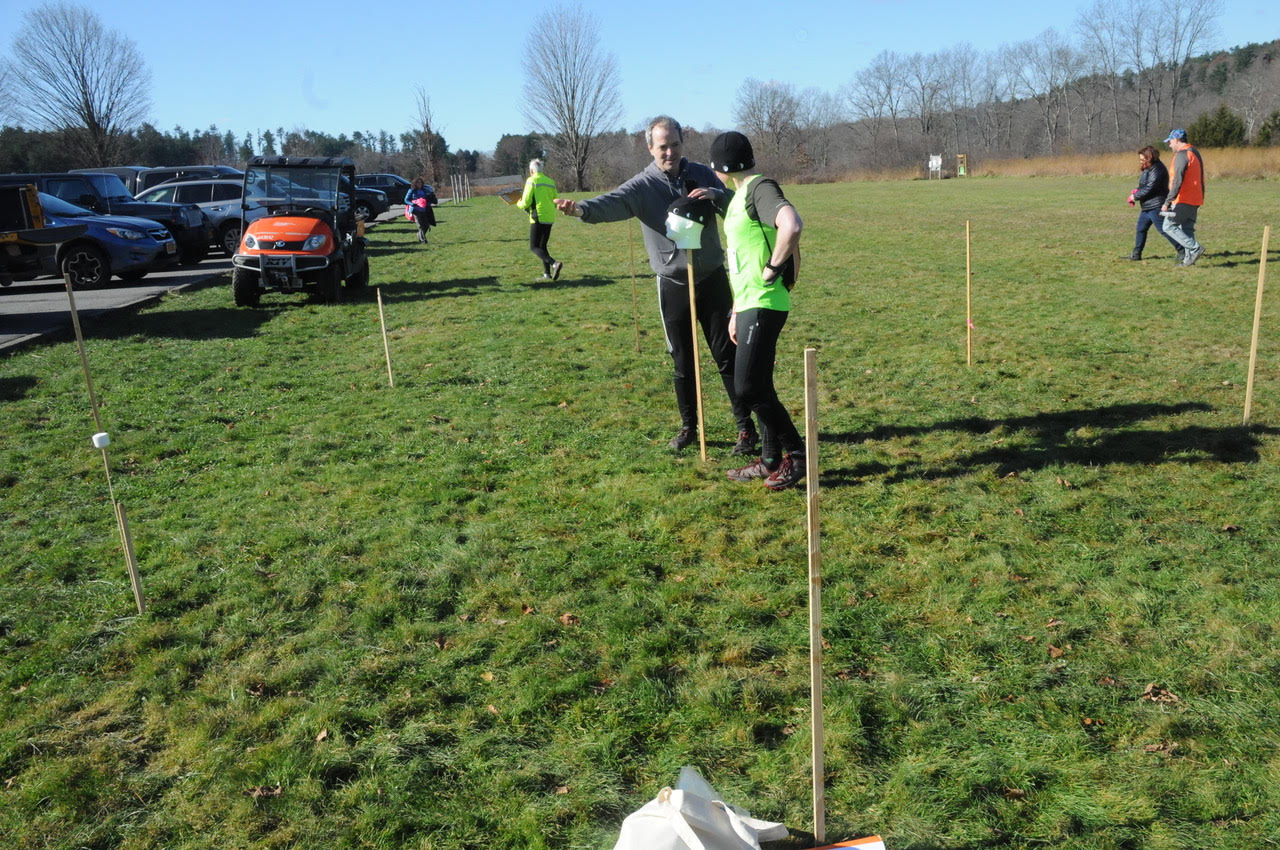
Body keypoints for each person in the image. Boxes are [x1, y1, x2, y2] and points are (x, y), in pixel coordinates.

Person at [554, 115, 757, 455]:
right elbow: (610, 203)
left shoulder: (704, 174)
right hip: (673, 284)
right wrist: (580, 210)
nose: (670, 152)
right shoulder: (642, 186)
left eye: (675, 145)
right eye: (662, 147)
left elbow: (736, 208)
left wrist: (716, 196)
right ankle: (689, 427)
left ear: (682, 144)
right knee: (683, 361)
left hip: (711, 279)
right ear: (651, 148)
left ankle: (745, 429)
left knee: (727, 356)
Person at [700, 131, 806, 491]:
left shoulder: (760, 188)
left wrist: (774, 268)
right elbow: (744, 259)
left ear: (719, 167)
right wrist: (735, 311)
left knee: (747, 387)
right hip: (748, 305)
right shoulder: (740, 195)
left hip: (766, 303)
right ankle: (770, 459)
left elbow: (791, 225)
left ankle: (797, 455)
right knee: (760, 384)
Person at [1161, 129, 1206, 266]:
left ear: (1176, 140)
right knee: (1187, 229)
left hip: (1183, 199)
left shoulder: (1182, 155)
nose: (1169, 145)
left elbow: (1177, 181)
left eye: (1170, 141)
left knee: (1168, 226)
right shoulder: (1194, 152)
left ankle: (1195, 248)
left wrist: (1167, 201)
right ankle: (1188, 261)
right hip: (1196, 198)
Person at [1127, 145, 1180, 262]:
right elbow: (1144, 185)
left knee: (1164, 230)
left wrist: (1134, 196)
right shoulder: (1148, 168)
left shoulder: (1158, 169)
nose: (1140, 161)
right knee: (1141, 228)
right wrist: (1137, 190)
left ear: (1149, 157)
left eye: (1142, 159)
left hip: (1157, 206)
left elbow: (1151, 187)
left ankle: (1182, 250)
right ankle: (1136, 254)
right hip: (1147, 206)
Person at [519, 159, 563, 280]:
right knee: (542, 246)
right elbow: (556, 199)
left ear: (531, 170)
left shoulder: (531, 180)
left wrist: (519, 204)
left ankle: (554, 263)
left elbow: (526, 201)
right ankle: (547, 274)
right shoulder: (550, 181)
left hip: (537, 215)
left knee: (533, 247)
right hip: (549, 217)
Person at [404, 177, 437, 244]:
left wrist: (429, 202)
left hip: (424, 210)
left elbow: (427, 199)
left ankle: (419, 235)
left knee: (426, 225)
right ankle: (423, 240)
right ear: (415, 183)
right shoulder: (411, 190)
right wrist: (412, 204)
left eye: (421, 182)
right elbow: (406, 200)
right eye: (418, 182)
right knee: (421, 226)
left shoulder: (424, 190)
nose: (419, 184)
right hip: (416, 210)